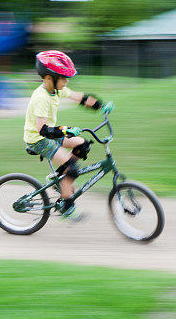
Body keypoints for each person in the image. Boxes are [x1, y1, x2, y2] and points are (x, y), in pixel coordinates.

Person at [23, 50, 113, 222]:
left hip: (49, 135)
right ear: (49, 78)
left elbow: (80, 98)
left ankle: (59, 177)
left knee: (82, 145)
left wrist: (101, 106)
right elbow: (42, 129)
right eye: (62, 77)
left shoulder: (57, 90)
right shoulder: (40, 98)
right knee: (72, 168)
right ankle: (66, 206)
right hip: (38, 140)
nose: (66, 81)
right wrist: (65, 129)